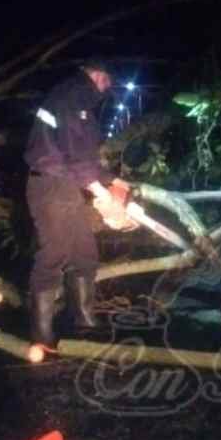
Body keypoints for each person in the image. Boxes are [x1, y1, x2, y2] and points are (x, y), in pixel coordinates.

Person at [23, 62, 132, 347]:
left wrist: (112, 181)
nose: (107, 88)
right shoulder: (73, 94)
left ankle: (84, 320)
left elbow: (86, 157)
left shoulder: (80, 103)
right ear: (97, 73)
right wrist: (101, 192)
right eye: (107, 80)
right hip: (49, 184)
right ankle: (41, 334)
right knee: (54, 253)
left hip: (66, 187)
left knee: (84, 252)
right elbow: (73, 153)